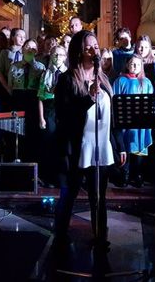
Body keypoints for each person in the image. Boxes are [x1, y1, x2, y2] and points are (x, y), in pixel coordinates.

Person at [53, 30, 127, 249]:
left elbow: (112, 117)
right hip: (76, 146)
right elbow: (64, 114)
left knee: (99, 195)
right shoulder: (67, 79)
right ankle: (60, 235)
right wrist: (88, 98)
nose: (94, 51)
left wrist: (120, 145)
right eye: (88, 48)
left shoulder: (103, 78)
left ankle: (100, 236)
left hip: (101, 144)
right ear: (79, 52)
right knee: (70, 193)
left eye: (96, 47)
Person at [113, 54, 154, 187]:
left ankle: (138, 175)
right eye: (132, 64)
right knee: (126, 148)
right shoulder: (120, 81)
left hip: (141, 121)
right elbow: (115, 100)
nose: (135, 66)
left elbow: (151, 102)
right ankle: (125, 174)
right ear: (127, 65)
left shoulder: (146, 82)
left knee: (139, 147)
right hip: (125, 121)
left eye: (138, 64)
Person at [38, 45, 68, 187]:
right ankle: (49, 178)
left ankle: (61, 178)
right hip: (49, 110)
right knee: (49, 143)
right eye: (55, 54)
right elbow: (40, 97)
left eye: (61, 55)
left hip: (64, 111)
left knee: (62, 145)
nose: (58, 57)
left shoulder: (68, 73)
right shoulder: (46, 73)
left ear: (65, 57)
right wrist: (41, 118)